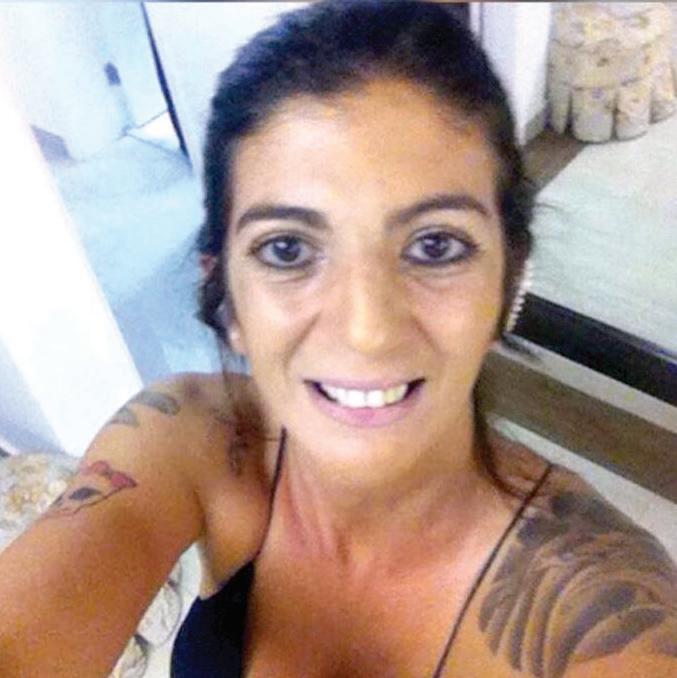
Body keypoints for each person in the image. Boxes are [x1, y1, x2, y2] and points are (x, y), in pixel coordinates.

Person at [1, 2, 675, 677]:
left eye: (435, 246)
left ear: (508, 281)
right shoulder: (190, 441)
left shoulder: (597, 612)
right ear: (228, 298)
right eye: (287, 249)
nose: (366, 330)